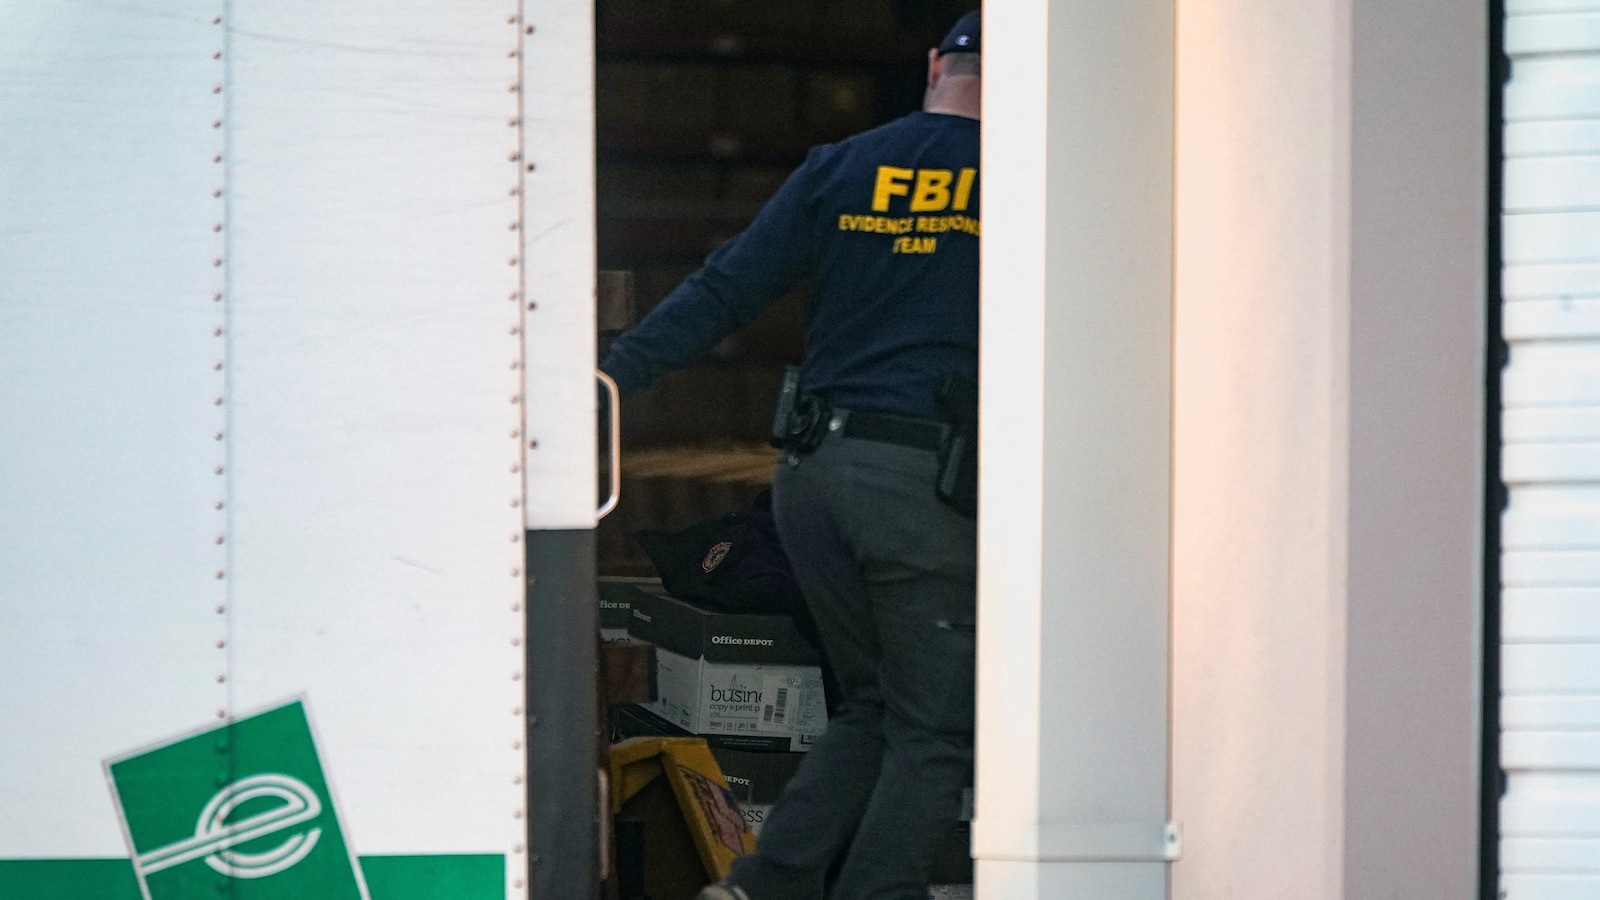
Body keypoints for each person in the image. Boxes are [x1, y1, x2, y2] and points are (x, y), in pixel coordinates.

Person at [601, 11, 981, 899]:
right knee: (935, 729)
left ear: (935, 66)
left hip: (813, 477)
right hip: (919, 484)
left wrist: (610, 380)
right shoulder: (1033, 183)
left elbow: (723, 291)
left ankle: (758, 889)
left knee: (874, 707)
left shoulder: (841, 166)